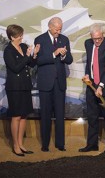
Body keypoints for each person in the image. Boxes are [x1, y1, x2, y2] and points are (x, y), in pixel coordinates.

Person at [79, 23, 105, 155]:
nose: (97, 41)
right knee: (92, 116)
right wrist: (86, 74)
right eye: (94, 38)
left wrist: (101, 86)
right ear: (91, 36)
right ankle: (92, 145)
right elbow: (90, 63)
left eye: (99, 38)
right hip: (91, 86)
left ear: (103, 35)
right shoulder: (88, 43)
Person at [34, 17, 73, 152]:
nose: (59, 31)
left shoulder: (64, 39)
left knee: (60, 114)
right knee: (45, 114)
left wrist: (63, 55)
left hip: (60, 83)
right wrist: (54, 54)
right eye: (57, 28)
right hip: (45, 83)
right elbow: (38, 61)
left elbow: (69, 59)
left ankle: (60, 143)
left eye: (60, 28)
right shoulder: (40, 39)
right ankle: (45, 144)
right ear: (50, 27)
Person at [3, 24, 40, 156]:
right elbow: (16, 68)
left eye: (22, 35)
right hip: (14, 88)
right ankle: (15, 145)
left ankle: (21, 143)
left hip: (25, 85)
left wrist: (34, 55)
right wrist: (27, 56)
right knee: (16, 116)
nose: (21, 37)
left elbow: (31, 64)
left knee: (24, 115)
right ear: (12, 37)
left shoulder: (23, 47)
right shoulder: (8, 51)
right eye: (19, 36)